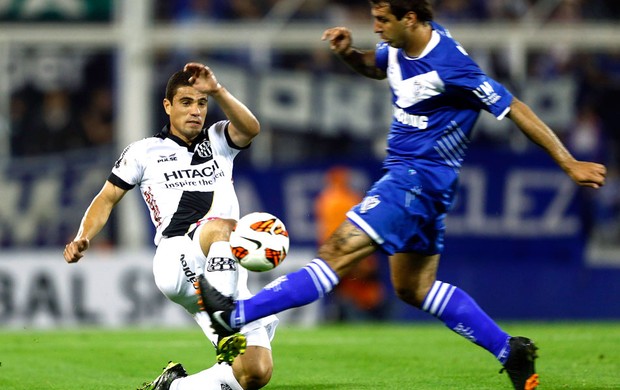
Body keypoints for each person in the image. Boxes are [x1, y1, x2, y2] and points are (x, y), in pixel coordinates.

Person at [193, 1, 607, 389]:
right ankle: (510, 350)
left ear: (410, 18)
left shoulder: (451, 66)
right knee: (414, 288)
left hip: (415, 182)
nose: (375, 27)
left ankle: (236, 314)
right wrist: (349, 55)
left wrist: (568, 162)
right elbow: (378, 66)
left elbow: (514, 106)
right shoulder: (397, 46)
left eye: (382, 20)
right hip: (419, 187)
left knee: (336, 252)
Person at [63, 62, 278, 390]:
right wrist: (83, 236)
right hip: (178, 255)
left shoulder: (219, 139)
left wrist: (218, 90)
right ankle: (227, 310)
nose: (196, 111)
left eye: (202, 104)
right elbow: (106, 198)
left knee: (254, 373)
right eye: (186, 102)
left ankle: (174, 386)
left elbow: (251, 128)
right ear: (167, 106)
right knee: (226, 226)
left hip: (224, 265)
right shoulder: (144, 151)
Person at [314, 166, 386, 321]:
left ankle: (339, 315)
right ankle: (370, 317)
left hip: (335, 252)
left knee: (342, 289)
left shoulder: (325, 199)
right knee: (366, 292)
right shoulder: (350, 198)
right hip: (354, 252)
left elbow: (327, 231)